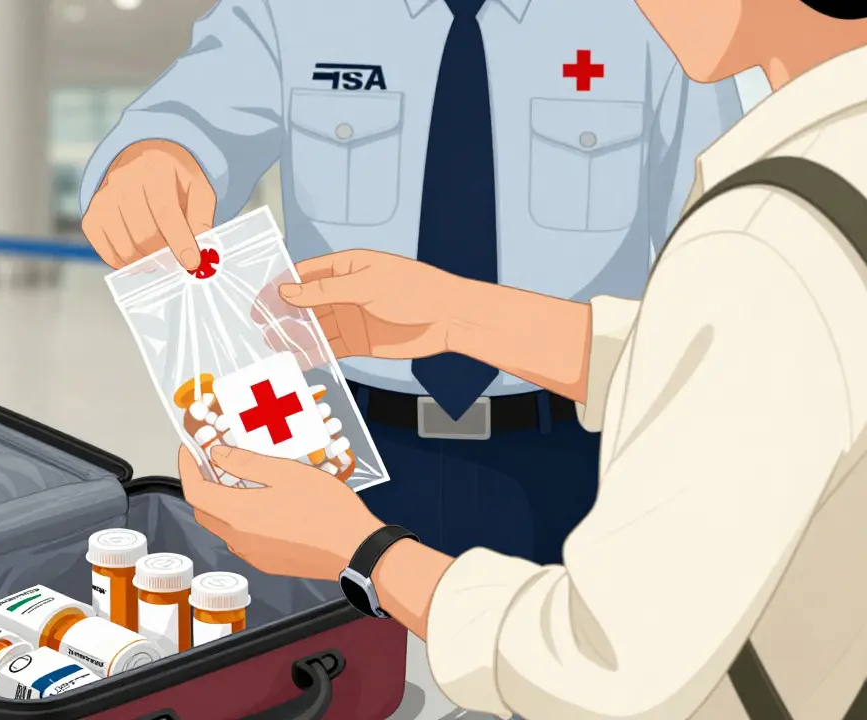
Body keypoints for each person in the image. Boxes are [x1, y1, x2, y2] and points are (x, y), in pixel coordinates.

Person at [178, 0, 867, 717]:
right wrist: (461, 315)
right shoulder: (827, 163)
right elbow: (754, 353)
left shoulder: (764, 232)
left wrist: (359, 549)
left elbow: (604, 662)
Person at [79, 0, 742, 564]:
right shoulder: (296, 9)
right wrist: (154, 157)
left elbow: (728, 255)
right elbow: (190, 110)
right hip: (351, 448)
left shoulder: (660, 18)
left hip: (583, 449)